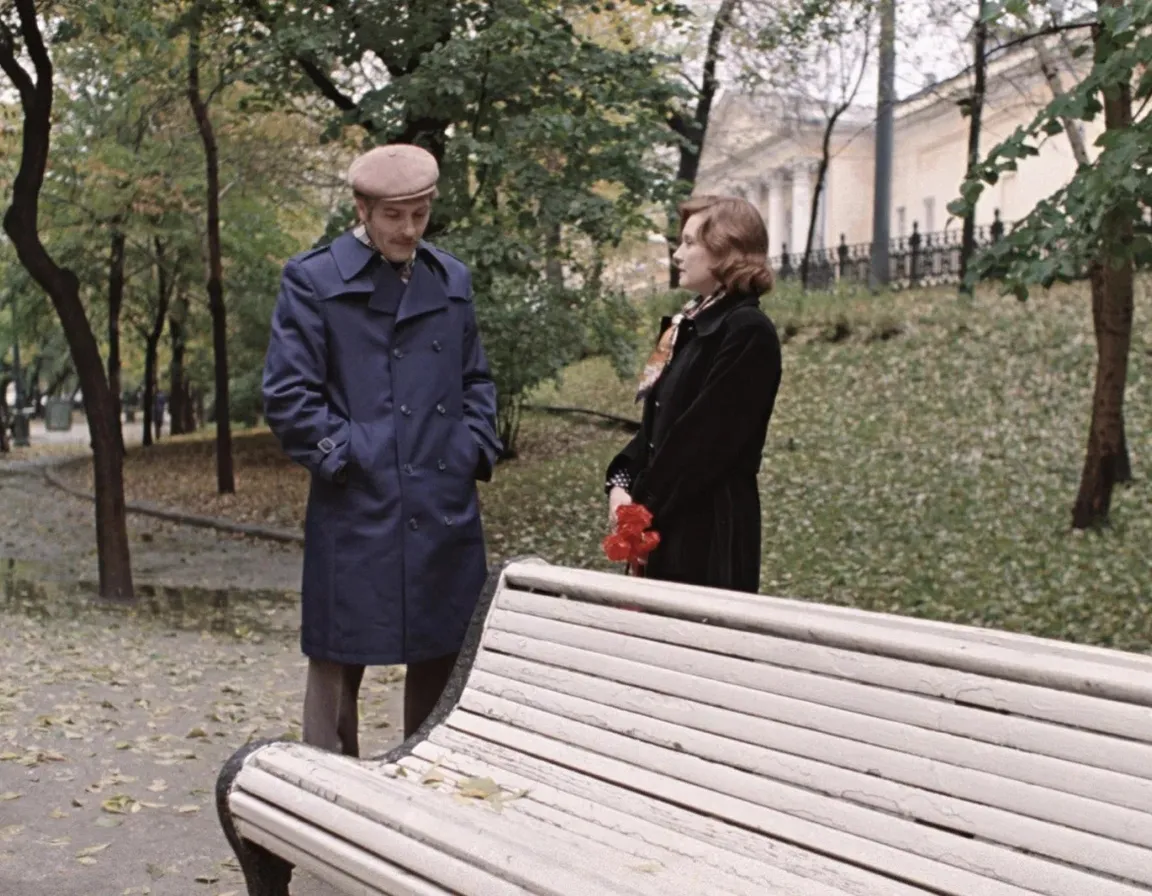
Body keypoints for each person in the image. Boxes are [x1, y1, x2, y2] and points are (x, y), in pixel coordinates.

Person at [263, 143, 501, 756]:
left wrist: (471, 446)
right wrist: (352, 456)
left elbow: (476, 379)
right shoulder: (313, 279)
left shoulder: (450, 278)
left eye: (419, 214)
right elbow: (288, 397)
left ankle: (429, 790)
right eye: (394, 215)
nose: (409, 229)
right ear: (362, 209)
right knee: (337, 663)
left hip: (444, 497)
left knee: (444, 659)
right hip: (358, 504)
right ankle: (320, 798)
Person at [604, 195, 782, 593]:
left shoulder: (746, 331)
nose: (678, 254)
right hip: (663, 518)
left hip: (706, 535)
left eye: (689, 242)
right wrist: (621, 482)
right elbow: (654, 428)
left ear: (726, 250)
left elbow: (701, 444)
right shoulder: (688, 325)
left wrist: (641, 508)